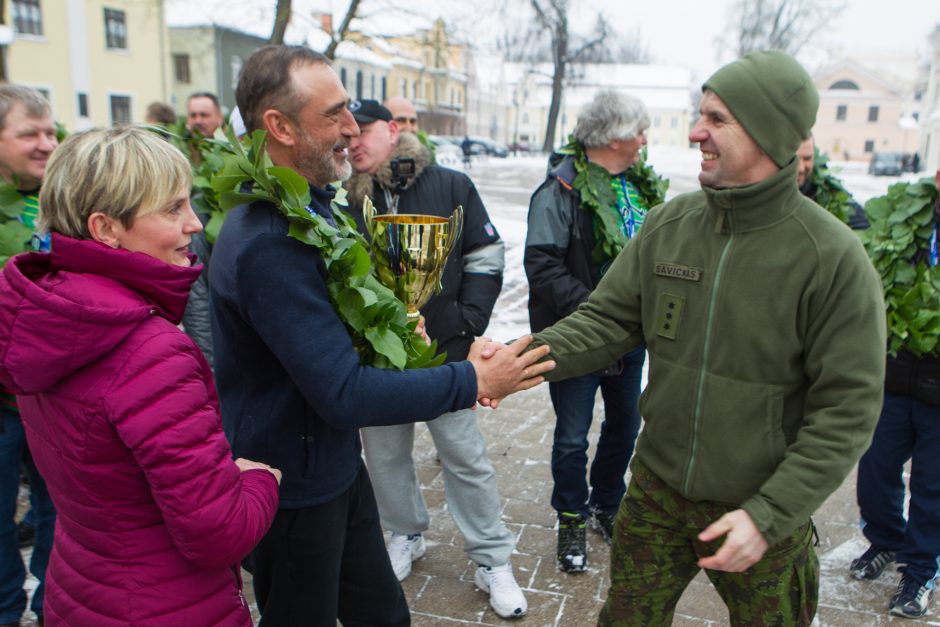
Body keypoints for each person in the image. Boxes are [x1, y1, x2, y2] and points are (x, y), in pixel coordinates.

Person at [521, 50, 886, 625]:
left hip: (759, 507)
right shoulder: (670, 225)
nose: (695, 133)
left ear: (767, 130)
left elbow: (847, 410)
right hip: (656, 493)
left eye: (717, 119)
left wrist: (769, 514)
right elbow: (607, 321)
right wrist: (514, 360)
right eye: (700, 116)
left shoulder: (833, 258)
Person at [209, 45, 552, 627]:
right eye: (334, 115)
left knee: (383, 614)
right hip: (292, 488)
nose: (352, 128)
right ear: (280, 127)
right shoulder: (270, 240)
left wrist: (397, 331)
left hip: (336, 468)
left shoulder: (316, 210)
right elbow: (342, 392)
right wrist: (470, 380)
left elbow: (329, 341)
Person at [0, 126, 281, 626]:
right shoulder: (149, 352)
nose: (194, 222)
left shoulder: (49, 319)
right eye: (173, 208)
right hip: (166, 604)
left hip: (83, 589)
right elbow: (218, 533)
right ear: (106, 228)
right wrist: (260, 480)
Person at [344, 99, 526, 618]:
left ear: (393, 130)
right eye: (347, 131)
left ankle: (493, 559)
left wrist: (466, 323)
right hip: (377, 357)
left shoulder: (450, 185)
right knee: (383, 458)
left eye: (365, 130)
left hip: (446, 354)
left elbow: (486, 255)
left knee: (465, 459)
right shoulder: (344, 197)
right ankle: (406, 533)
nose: (353, 139)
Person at [523, 90, 651, 574]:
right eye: (637, 130)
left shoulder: (637, 187)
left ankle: (606, 504)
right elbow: (541, 264)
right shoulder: (560, 189)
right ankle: (572, 518)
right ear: (613, 136)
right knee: (572, 437)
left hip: (629, 342)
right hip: (577, 339)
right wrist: (600, 311)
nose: (644, 140)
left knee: (625, 425)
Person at [849, 168, 940, 619]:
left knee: (932, 488)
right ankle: (885, 540)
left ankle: (920, 571)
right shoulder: (910, 223)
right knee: (875, 471)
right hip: (896, 378)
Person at [0, 84, 57, 627]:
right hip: (0, 404)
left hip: (49, 394)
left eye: (50, 132)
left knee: (57, 512)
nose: (45, 144)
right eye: (29, 133)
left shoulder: (61, 200)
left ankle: (49, 609)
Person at [796, 135, 868, 229]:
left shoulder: (829, 193)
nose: (801, 168)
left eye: (807, 159)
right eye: (794, 159)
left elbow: (861, 228)